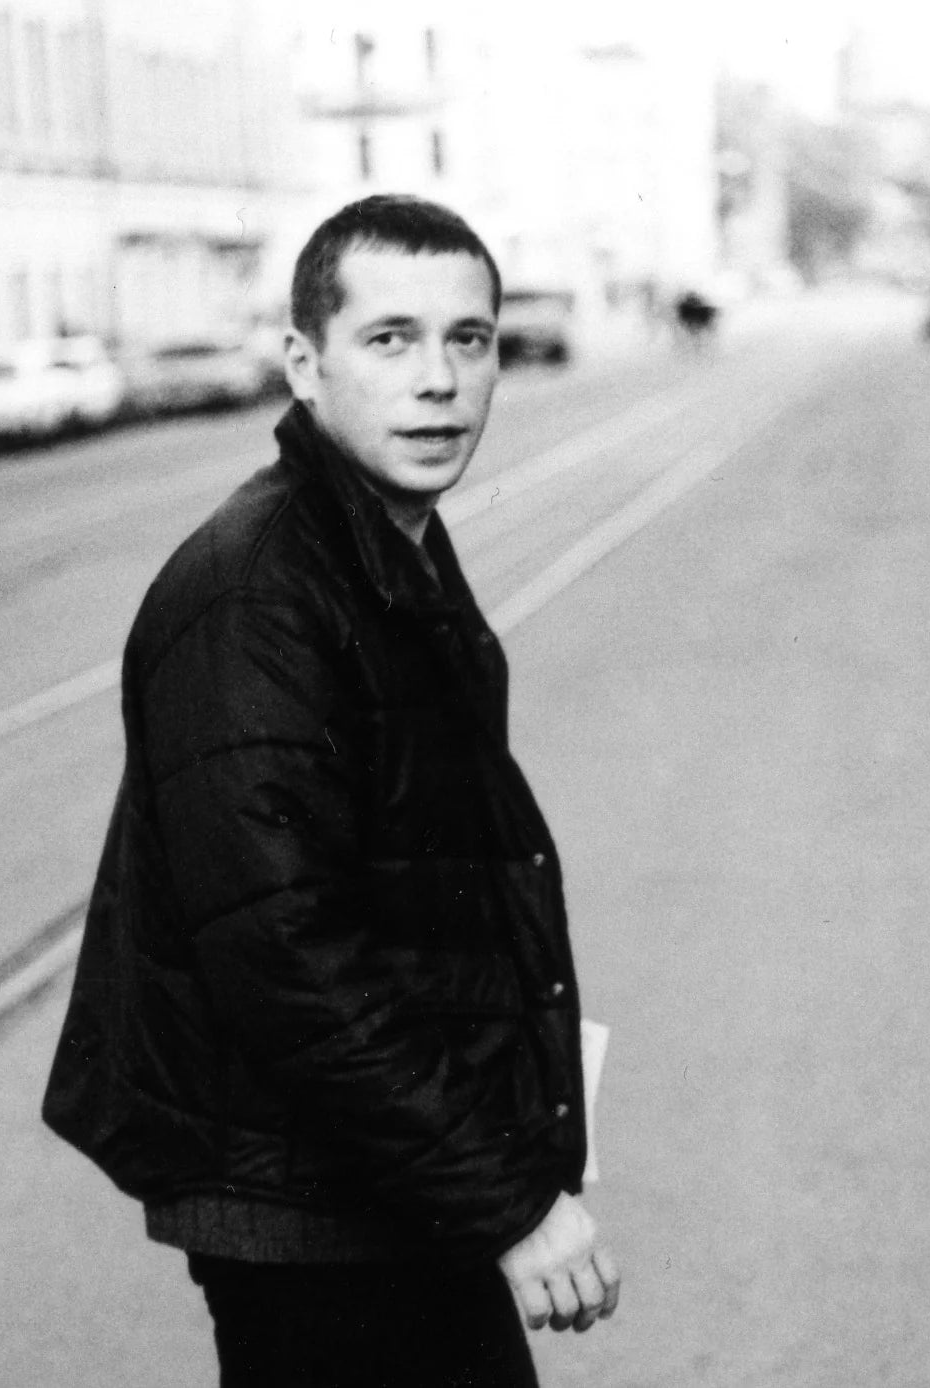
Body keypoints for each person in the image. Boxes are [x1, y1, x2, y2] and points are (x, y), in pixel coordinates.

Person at [41, 194, 620, 1387]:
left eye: (468, 338)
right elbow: (285, 951)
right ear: (305, 364)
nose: (438, 380)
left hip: (380, 1181)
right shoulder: (259, 593)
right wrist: (506, 1199)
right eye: (390, 338)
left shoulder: (381, 545)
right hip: (314, 1209)